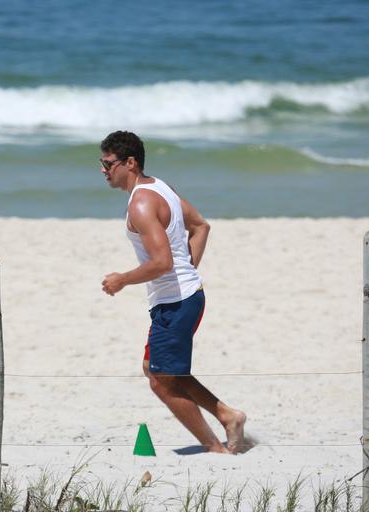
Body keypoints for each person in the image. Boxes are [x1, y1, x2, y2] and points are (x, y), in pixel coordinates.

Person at [99, 130, 246, 454]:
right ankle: (227, 415)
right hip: (184, 296)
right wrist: (188, 268)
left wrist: (122, 279)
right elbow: (201, 226)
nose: (103, 169)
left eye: (108, 163)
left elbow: (162, 263)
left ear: (130, 162)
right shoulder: (160, 187)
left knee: (159, 379)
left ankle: (215, 447)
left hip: (176, 302)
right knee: (159, 370)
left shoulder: (140, 204)